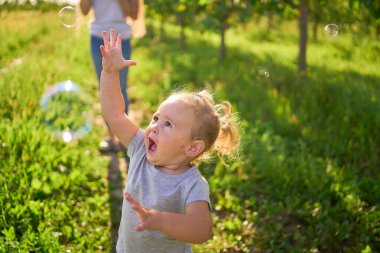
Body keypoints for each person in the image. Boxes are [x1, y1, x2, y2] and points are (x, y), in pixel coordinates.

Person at [100, 29, 240, 253]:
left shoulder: (192, 184)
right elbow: (114, 114)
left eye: (167, 124)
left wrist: (161, 221)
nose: (154, 126)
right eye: (156, 118)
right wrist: (109, 73)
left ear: (192, 147)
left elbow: (202, 229)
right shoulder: (140, 150)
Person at [80, 0, 139, 152]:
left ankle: (123, 138)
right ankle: (111, 137)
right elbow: (84, 10)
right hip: (98, 38)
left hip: (122, 38)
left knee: (121, 87)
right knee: (104, 88)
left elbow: (134, 14)